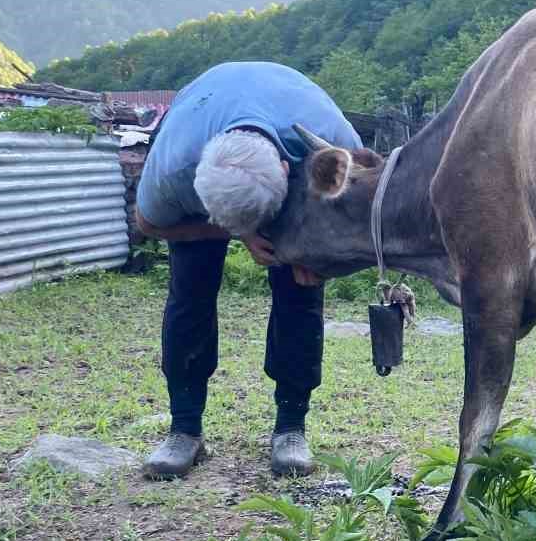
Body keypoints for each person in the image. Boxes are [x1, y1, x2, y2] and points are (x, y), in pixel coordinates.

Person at [132, 61, 363, 479]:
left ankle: (291, 427)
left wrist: (320, 262)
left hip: (293, 150)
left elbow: (354, 222)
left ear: (285, 171)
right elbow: (148, 223)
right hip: (208, 126)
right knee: (190, 292)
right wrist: (235, 233)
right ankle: (184, 429)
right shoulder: (175, 167)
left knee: (301, 291)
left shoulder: (330, 145)